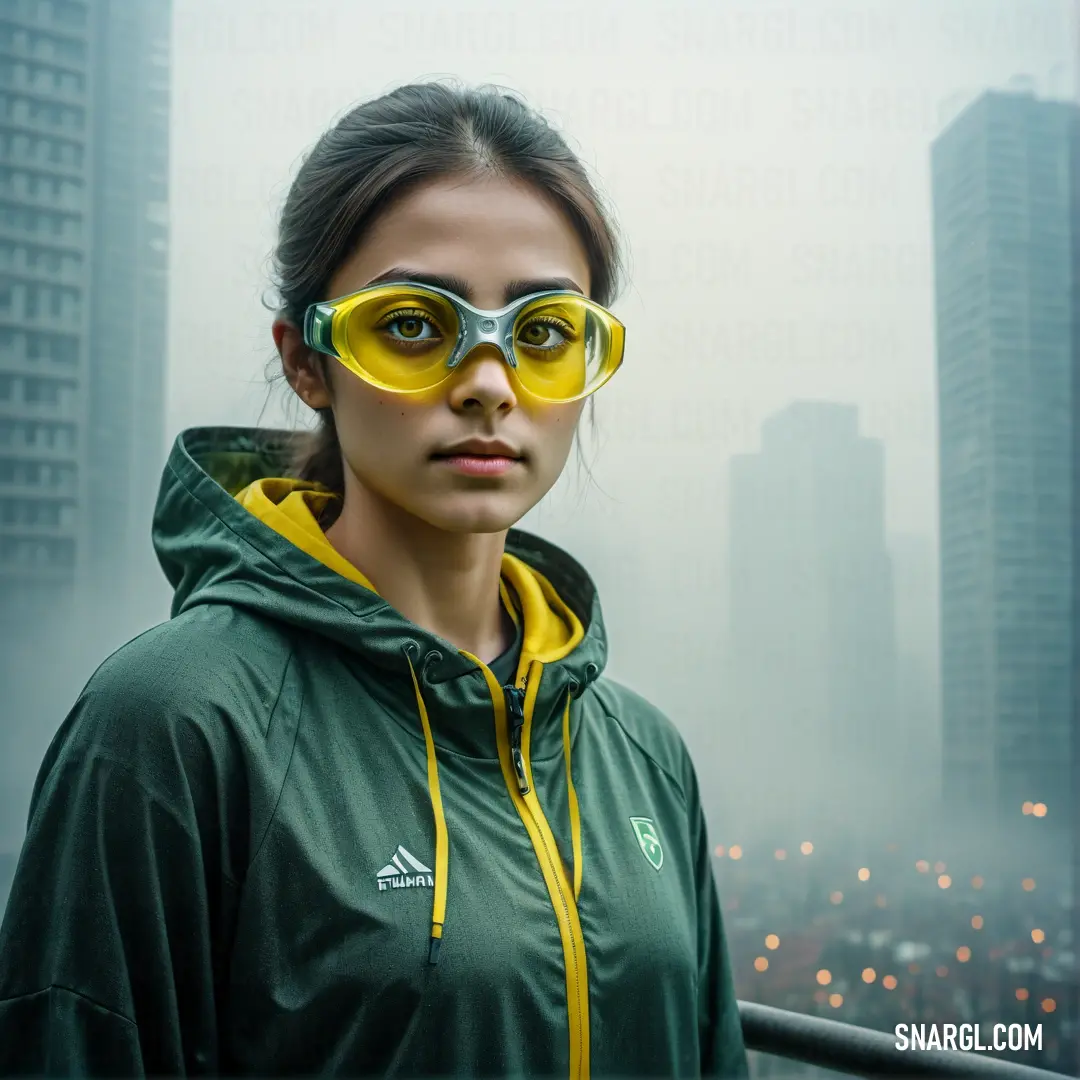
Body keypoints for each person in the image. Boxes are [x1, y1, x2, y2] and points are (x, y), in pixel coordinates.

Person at [0, 82, 748, 1079]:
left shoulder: (642, 753)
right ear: (308, 363)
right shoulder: (174, 723)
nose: (489, 380)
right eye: (411, 325)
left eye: (542, 332)